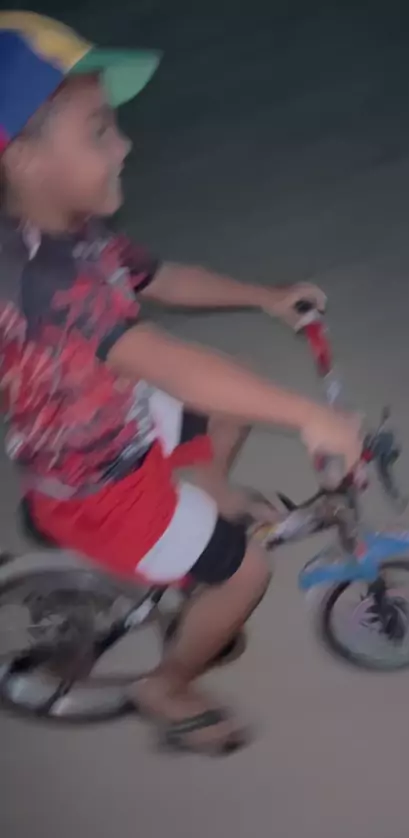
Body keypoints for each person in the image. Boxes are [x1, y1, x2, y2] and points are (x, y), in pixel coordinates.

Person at [0, 11, 362, 755]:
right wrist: (308, 415)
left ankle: (210, 501)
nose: (125, 144)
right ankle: (166, 686)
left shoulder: (73, 232)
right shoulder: (47, 280)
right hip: (98, 483)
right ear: (27, 161)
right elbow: (164, 360)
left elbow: (162, 276)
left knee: (229, 400)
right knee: (246, 572)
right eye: (99, 131)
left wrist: (264, 298)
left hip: (101, 421)